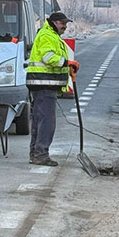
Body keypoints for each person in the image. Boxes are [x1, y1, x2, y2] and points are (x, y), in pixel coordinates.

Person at [26, 11, 80, 166]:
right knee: (46, 121)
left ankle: (36, 154)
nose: (64, 26)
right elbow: (48, 58)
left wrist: (67, 67)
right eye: (63, 23)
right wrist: (67, 63)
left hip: (43, 85)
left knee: (39, 120)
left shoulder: (51, 36)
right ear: (55, 22)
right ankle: (41, 154)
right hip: (43, 85)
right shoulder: (47, 36)